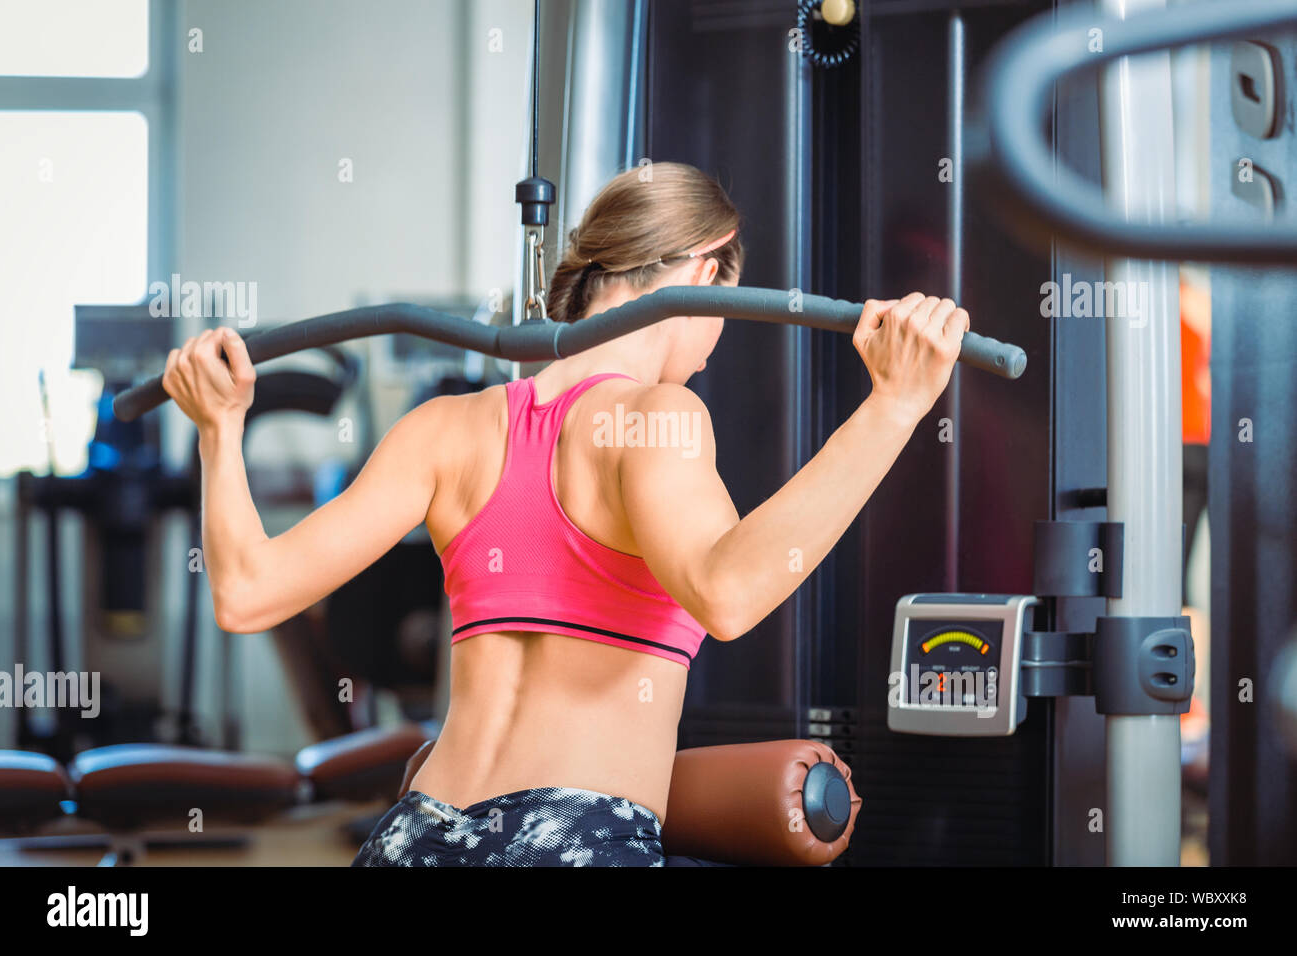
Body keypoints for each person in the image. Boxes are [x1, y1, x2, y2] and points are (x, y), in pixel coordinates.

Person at [160, 161, 968, 866]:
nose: (716, 342)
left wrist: (219, 430)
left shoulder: (445, 429)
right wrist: (894, 407)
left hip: (411, 839)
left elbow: (246, 594)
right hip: (573, 838)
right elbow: (729, 594)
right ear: (703, 267)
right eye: (720, 303)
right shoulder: (661, 415)